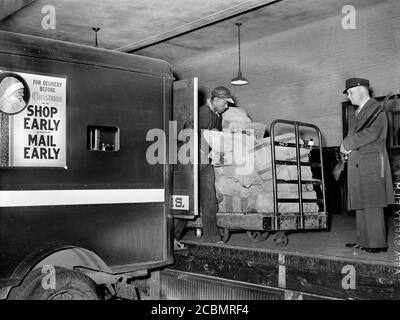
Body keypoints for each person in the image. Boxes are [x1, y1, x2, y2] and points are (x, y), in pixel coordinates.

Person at [174, 86, 233, 246]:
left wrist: (217, 153)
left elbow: (216, 140)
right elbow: (188, 135)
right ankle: (172, 238)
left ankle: (213, 238)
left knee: (210, 200)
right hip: (190, 160)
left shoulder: (218, 117)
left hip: (205, 162)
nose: (226, 106)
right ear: (216, 100)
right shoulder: (202, 112)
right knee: (187, 201)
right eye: (225, 103)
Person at [341, 78, 394, 253]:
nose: (349, 97)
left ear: (361, 90)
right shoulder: (357, 113)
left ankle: (377, 243)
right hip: (358, 163)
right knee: (361, 203)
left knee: (373, 203)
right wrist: (346, 148)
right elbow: (352, 136)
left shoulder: (376, 110)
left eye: (350, 92)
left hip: (371, 162)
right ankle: (363, 240)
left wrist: (347, 145)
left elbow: (372, 133)